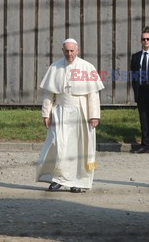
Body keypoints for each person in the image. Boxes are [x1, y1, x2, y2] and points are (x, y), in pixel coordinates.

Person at [36, 38, 104, 193]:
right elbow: (48, 94)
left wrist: (94, 116)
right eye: (66, 51)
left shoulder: (87, 67)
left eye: (72, 51)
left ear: (77, 50)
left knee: (80, 148)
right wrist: (46, 113)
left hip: (81, 112)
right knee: (59, 146)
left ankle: (79, 182)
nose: (69, 54)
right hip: (60, 111)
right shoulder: (55, 67)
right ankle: (59, 179)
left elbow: (93, 95)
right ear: (63, 51)